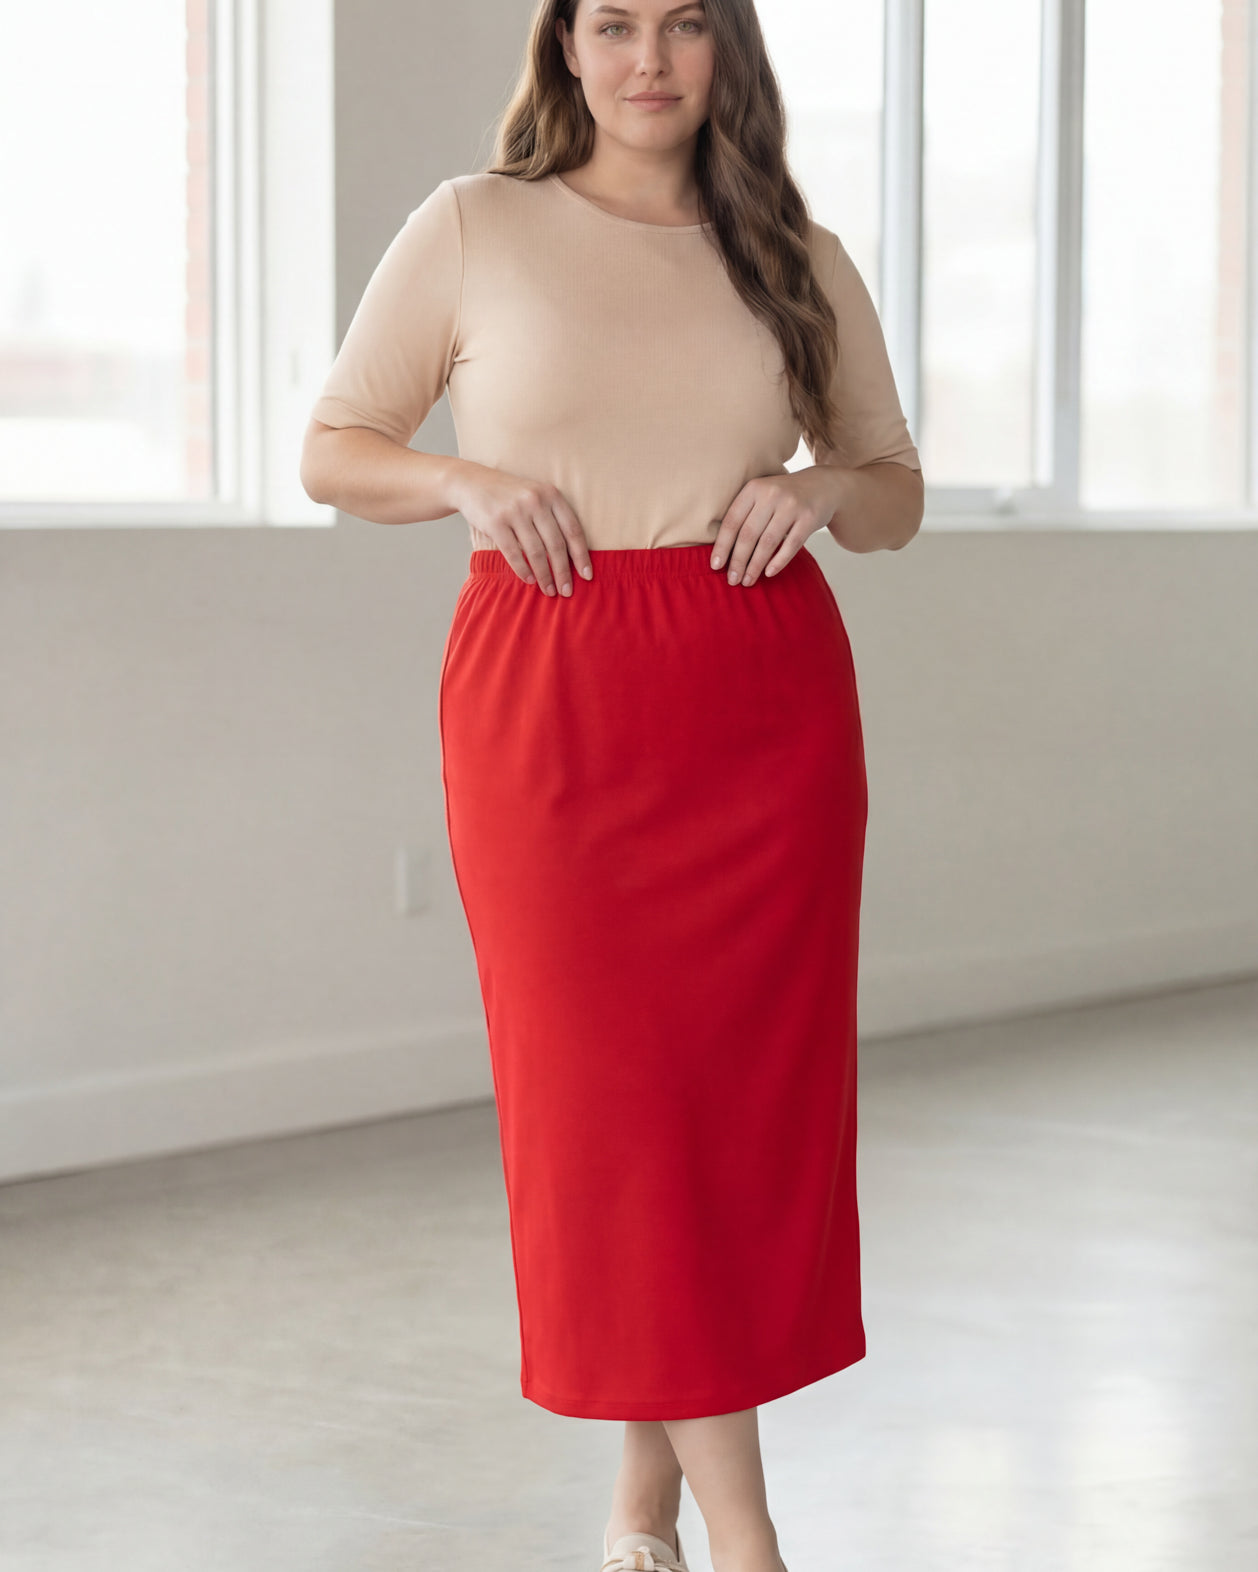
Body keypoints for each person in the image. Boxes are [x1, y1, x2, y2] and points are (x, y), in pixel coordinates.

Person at [300, 2, 923, 1568]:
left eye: (686, 23)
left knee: (724, 1118)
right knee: (615, 1110)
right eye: (615, 23)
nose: (650, 56)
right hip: (551, 697)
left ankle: (649, 1496)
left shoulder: (794, 251)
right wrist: (463, 480)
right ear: (564, 49)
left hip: (759, 704)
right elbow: (332, 447)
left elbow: (895, 494)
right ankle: (748, 1535)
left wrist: (822, 487)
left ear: (728, 51)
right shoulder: (473, 227)